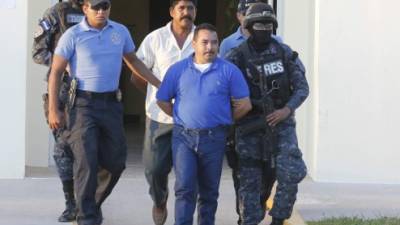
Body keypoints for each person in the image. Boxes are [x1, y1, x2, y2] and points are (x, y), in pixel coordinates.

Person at [47, 0, 160, 224]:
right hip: (82, 105)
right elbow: (56, 72)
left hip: (111, 105)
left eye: (105, 6)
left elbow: (133, 61)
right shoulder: (73, 35)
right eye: (96, 6)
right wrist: (53, 109)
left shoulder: (120, 31)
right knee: (86, 162)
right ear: (85, 8)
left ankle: (88, 205)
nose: (101, 11)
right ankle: (87, 217)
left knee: (116, 162)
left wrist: (160, 84)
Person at [156, 23, 252, 225]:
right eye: (205, 42)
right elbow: (162, 99)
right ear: (194, 44)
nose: (210, 47)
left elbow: (244, 104)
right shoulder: (178, 70)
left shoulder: (229, 71)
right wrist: (180, 116)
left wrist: (225, 119)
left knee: (209, 192)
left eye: (214, 42)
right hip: (184, 138)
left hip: (214, 138)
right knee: (184, 188)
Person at [226, 3, 309, 225]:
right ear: (249, 26)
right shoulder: (236, 56)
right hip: (250, 127)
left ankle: (278, 220)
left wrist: (286, 110)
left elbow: (302, 88)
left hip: (281, 125)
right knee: (251, 188)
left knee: (291, 174)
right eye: (258, 24)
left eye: (267, 24)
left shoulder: (284, 53)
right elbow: (222, 92)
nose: (263, 28)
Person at [132, 0, 197, 224]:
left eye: (190, 8)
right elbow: (137, 75)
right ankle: (159, 200)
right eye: (181, 8)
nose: (186, 13)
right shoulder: (155, 39)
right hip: (159, 119)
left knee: (187, 176)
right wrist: (157, 95)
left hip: (192, 120)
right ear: (171, 12)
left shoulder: (202, 38)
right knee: (154, 169)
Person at [32, 0, 85, 222]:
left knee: (93, 149)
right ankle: (71, 204)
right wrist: (62, 63)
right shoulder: (56, 12)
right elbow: (38, 52)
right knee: (64, 149)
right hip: (62, 89)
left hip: (94, 89)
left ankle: (89, 200)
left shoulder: (97, 10)